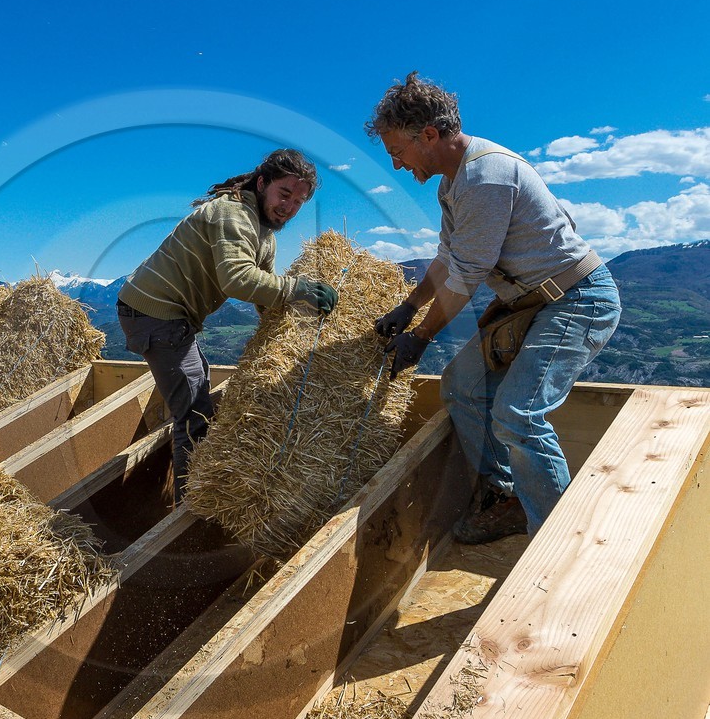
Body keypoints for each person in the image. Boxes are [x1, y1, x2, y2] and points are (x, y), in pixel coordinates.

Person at [366, 72, 621, 542]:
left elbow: (465, 274)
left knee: (518, 413)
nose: (398, 166)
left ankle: (554, 543)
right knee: (462, 385)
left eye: (397, 152)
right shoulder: (452, 184)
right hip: (532, 306)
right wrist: (408, 306)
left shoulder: (487, 176)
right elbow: (446, 260)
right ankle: (506, 498)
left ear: (428, 135)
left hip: (576, 300)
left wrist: (421, 337)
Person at [117, 148, 337, 499]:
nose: (289, 207)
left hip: (166, 315)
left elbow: (263, 288)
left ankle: (186, 493)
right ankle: (191, 504)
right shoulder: (233, 215)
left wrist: (287, 336)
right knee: (194, 416)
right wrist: (299, 289)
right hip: (154, 313)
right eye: (284, 194)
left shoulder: (264, 233)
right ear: (262, 183)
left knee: (197, 383)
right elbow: (238, 278)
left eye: (298, 202)